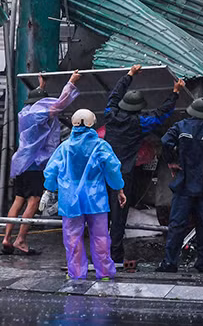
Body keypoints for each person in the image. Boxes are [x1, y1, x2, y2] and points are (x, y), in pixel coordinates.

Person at [104, 64, 184, 262]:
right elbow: (161, 114)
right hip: (123, 174)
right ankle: (115, 256)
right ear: (139, 108)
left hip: (103, 171)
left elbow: (114, 95)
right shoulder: (141, 122)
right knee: (119, 216)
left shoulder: (110, 115)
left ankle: (99, 254)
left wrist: (129, 75)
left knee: (101, 214)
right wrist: (175, 92)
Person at [3, 70, 81, 255]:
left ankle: (6, 238)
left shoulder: (25, 113)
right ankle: (20, 240)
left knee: (18, 200)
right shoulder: (39, 115)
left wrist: (41, 85)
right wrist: (71, 82)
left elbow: (39, 101)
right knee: (33, 201)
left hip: (21, 164)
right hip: (34, 165)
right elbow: (59, 104)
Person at [44, 109, 127, 280]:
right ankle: (104, 273)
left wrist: (50, 189)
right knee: (101, 237)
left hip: (70, 200)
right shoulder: (100, 145)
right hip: (96, 199)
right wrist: (119, 189)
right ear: (92, 123)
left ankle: (75, 273)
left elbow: (51, 171)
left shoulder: (64, 147)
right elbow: (113, 169)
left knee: (73, 238)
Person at [156, 97, 203, 273]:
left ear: (191, 111)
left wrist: (172, 162)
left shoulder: (180, 127)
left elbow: (164, 142)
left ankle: (170, 262)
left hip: (183, 183)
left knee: (176, 224)